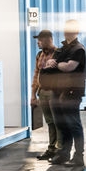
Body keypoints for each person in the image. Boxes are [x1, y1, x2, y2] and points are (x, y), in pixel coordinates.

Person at [42, 19, 86, 169]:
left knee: (73, 124)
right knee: (62, 124)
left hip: (71, 92)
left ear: (76, 31)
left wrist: (58, 64)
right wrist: (52, 63)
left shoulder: (79, 49)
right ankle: (63, 154)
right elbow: (49, 63)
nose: (67, 31)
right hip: (57, 90)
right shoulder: (61, 49)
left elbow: (69, 67)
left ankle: (79, 156)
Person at [30, 30, 59, 161]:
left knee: (58, 122)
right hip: (42, 93)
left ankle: (60, 150)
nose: (38, 42)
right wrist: (33, 95)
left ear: (48, 40)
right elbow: (36, 75)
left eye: (40, 40)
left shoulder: (59, 54)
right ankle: (52, 148)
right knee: (50, 122)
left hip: (55, 93)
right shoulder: (39, 55)